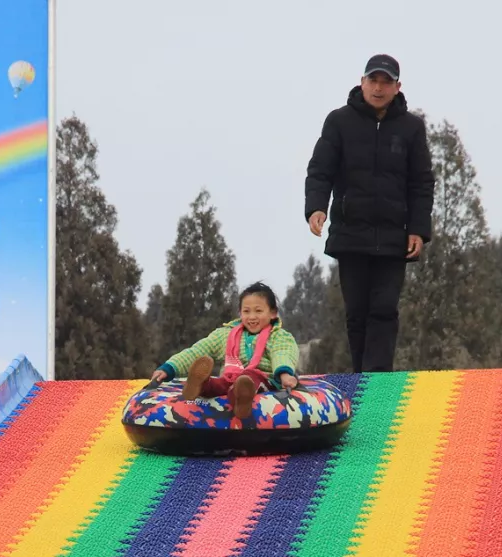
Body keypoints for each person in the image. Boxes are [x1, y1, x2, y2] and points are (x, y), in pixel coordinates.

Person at [304, 53, 435, 373]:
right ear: (362, 82)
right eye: (373, 80)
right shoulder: (338, 121)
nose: (378, 88)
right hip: (351, 232)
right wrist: (316, 207)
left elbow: (422, 181)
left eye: (385, 82)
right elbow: (320, 170)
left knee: (384, 308)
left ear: (397, 87)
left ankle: (377, 379)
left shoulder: (411, 128)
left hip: (394, 235)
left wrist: (418, 228)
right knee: (357, 311)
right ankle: (362, 375)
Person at [150, 282, 300, 418]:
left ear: (273, 313)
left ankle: (240, 399)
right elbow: (197, 350)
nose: (252, 317)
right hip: (231, 378)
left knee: (248, 376)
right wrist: (169, 367)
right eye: (246, 311)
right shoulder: (226, 335)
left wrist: (285, 374)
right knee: (221, 383)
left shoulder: (278, 336)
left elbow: (283, 353)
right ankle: (200, 385)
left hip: (264, 379)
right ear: (240, 313)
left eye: (258, 311)